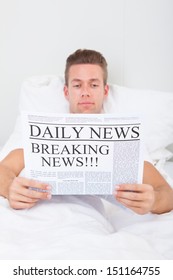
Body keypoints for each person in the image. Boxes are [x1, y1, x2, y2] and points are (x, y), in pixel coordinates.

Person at [0, 49, 173, 214]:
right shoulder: (44, 130)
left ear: (105, 91)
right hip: (38, 216)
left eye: (93, 84)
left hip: (90, 221)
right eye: (77, 85)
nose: (85, 93)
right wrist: (9, 188)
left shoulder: (123, 136)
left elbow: (165, 192)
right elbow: (4, 168)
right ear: (66, 92)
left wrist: (154, 201)